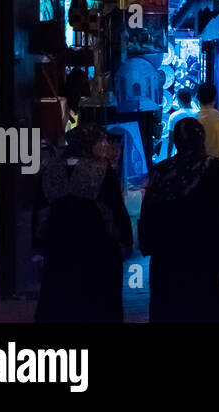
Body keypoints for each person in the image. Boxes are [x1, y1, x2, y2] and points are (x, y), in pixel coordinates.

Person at [138, 118, 219, 323]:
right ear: (201, 139)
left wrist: (147, 244)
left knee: (169, 306)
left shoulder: (162, 170)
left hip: (166, 254)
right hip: (204, 251)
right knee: (205, 307)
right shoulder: (215, 168)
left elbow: (148, 211)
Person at [33, 125, 132, 322]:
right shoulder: (101, 170)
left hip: (58, 243)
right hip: (95, 244)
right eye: (99, 142)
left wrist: (38, 242)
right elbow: (114, 208)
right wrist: (125, 238)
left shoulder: (49, 168)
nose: (103, 146)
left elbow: (40, 208)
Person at [161, 87, 198, 160]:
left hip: (180, 155)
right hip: (197, 154)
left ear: (179, 101)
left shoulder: (174, 116)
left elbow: (171, 141)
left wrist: (169, 158)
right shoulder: (199, 114)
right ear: (191, 99)